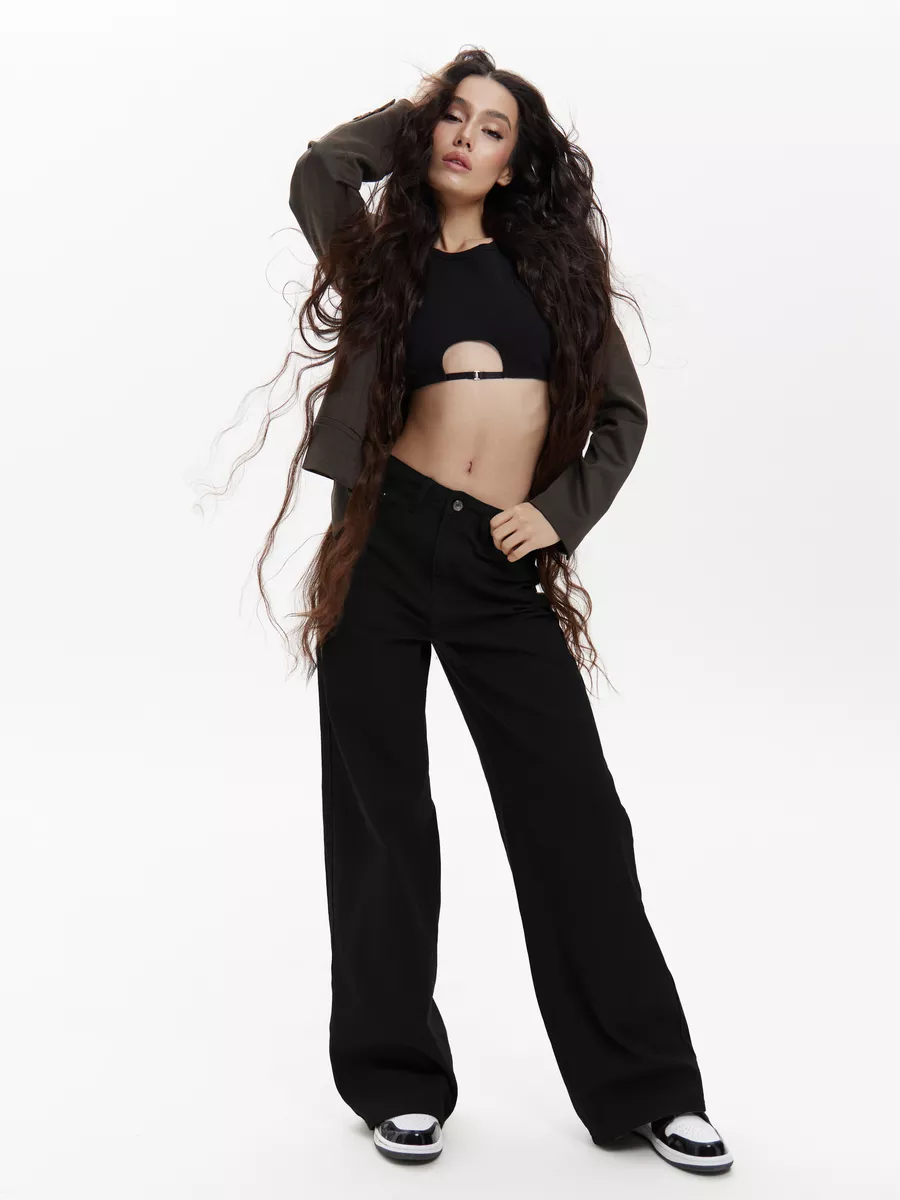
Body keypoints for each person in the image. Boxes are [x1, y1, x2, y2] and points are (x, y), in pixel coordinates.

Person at [285, 50, 733, 1174]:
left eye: (492, 129)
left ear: (515, 164)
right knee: (382, 818)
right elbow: (317, 170)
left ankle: (646, 1087)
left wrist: (556, 514)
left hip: (497, 561)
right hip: (385, 543)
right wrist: (416, 108)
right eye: (453, 119)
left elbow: (622, 416)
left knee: (574, 817)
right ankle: (396, 1081)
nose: (464, 138)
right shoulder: (379, 258)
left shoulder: (553, 269)